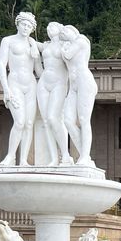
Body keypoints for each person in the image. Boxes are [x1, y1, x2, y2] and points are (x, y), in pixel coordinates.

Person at [0, 12, 42, 167]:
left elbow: (39, 71)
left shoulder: (32, 44)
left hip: (30, 85)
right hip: (14, 83)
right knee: (20, 122)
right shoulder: (8, 41)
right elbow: (1, 64)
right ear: (18, 24)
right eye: (24, 24)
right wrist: (6, 89)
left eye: (29, 26)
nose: (26, 28)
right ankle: (10, 157)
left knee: (29, 123)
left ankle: (23, 160)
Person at [60, 24, 97, 166]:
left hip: (84, 82)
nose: (63, 33)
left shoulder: (81, 41)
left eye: (65, 30)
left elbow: (67, 55)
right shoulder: (69, 44)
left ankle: (85, 156)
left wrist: (62, 46)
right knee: (68, 120)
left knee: (83, 119)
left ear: (73, 31)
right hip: (73, 85)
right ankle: (84, 154)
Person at [37, 21, 73, 167]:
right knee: (46, 122)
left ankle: (65, 154)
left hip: (59, 83)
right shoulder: (45, 45)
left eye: (52, 26)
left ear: (59, 29)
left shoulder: (66, 45)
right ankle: (53, 158)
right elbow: (28, 40)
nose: (48, 28)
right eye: (47, 26)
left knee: (54, 118)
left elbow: (72, 67)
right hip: (44, 83)